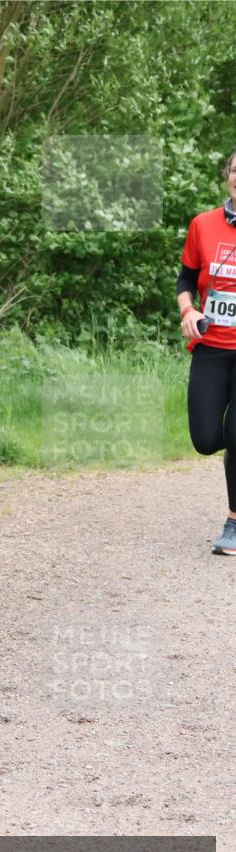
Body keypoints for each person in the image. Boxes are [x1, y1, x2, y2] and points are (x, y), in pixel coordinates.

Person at [177, 148, 236, 555]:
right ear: (227, 176)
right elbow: (185, 278)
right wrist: (187, 309)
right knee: (206, 438)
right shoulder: (203, 225)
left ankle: (233, 523)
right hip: (210, 347)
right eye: (235, 170)